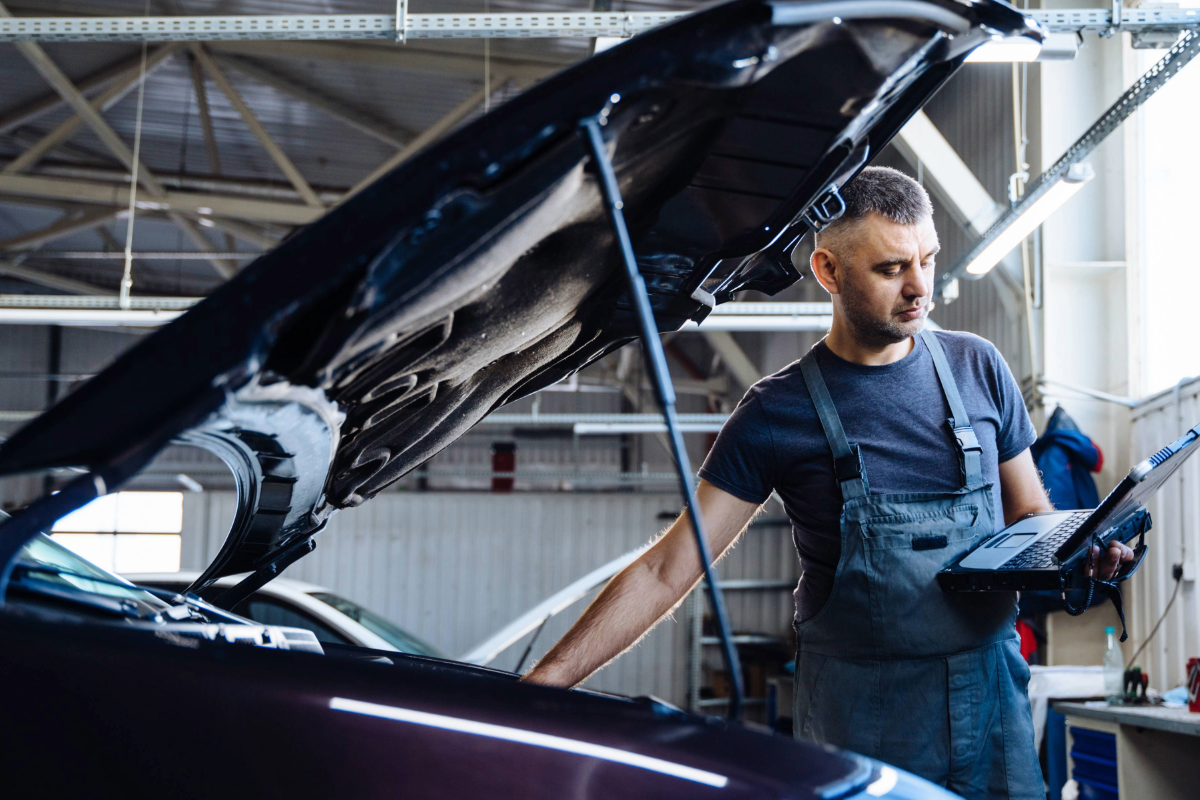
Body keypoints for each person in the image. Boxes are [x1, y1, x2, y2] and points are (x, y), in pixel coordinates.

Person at [522, 166, 1134, 798]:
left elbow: (1030, 513)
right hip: (863, 723)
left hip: (994, 712)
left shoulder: (978, 367)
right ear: (828, 271)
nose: (919, 287)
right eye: (891, 269)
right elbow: (665, 570)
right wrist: (542, 686)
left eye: (927, 260)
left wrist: (1077, 547)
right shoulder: (775, 413)